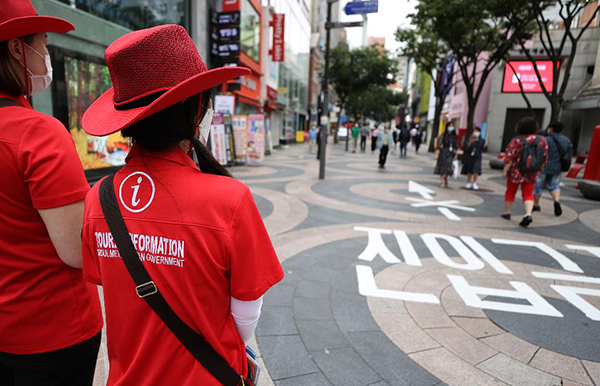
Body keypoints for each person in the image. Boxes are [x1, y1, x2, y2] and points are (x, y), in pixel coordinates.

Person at [80, 25, 284, 385]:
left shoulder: (99, 197)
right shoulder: (229, 199)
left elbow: (108, 285)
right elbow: (246, 316)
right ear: (195, 112)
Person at [0, 1, 103, 384]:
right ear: (16, 48)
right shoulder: (38, 133)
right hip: (53, 332)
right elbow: (77, 251)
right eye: (42, 43)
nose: (46, 55)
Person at [502, 116, 548, 227]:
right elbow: (544, 156)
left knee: (510, 191)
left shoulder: (517, 140)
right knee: (528, 194)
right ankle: (528, 214)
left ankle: (507, 212)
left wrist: (505, 170)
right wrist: (541, 167)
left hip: (516, 171)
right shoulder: (541, 140)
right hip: (532, 172)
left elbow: (510, 157)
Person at [533, 121, 573, 216]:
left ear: (551, 129)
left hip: (543, 167)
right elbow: (570, 152)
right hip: (557, 168)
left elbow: (539, 152)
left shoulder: (545, 140)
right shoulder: (567, 140)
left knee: (538, 186)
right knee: (555, 186)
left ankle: (536, 204)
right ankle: (556, 201)